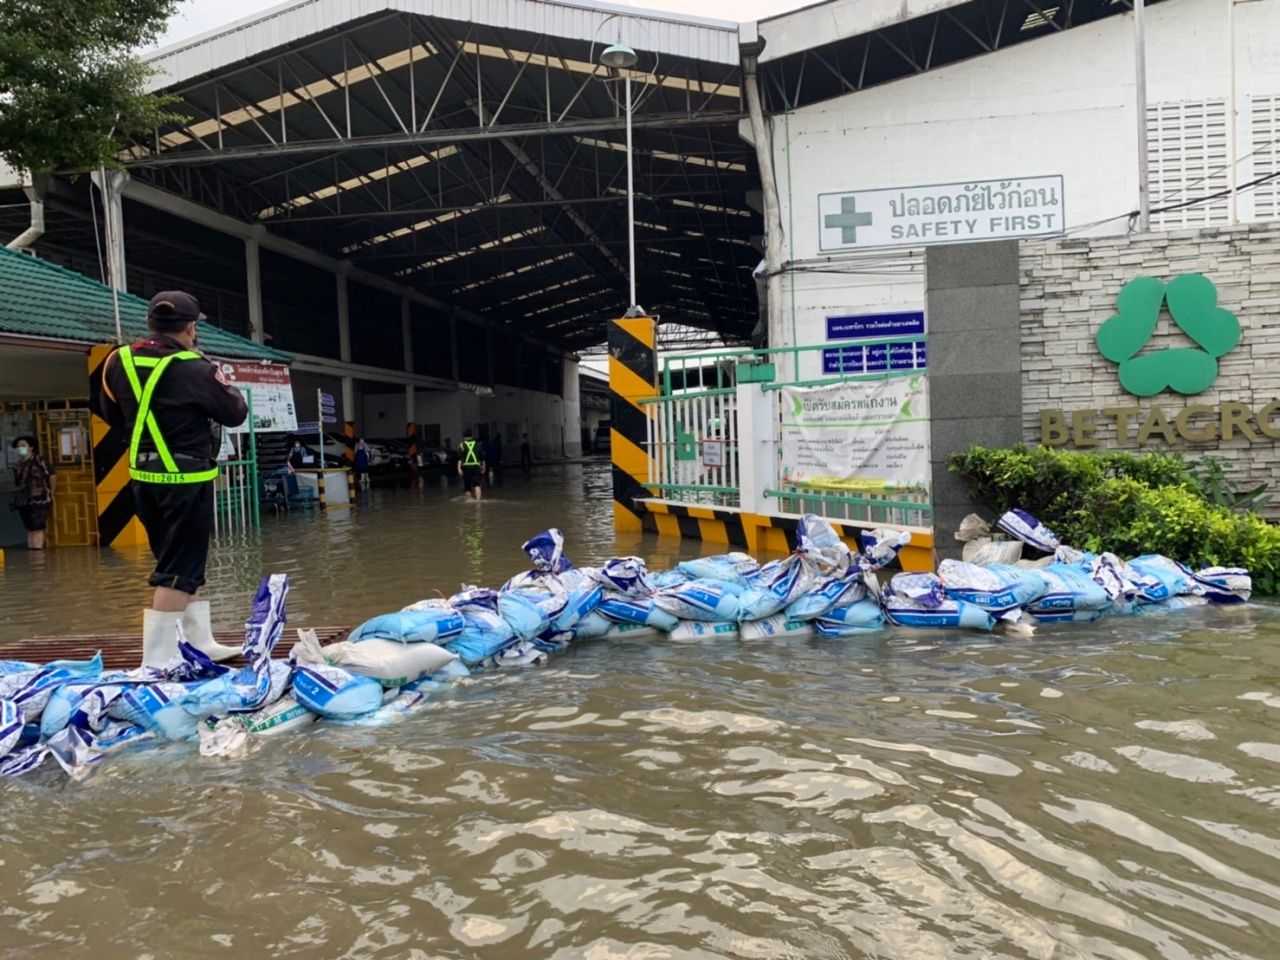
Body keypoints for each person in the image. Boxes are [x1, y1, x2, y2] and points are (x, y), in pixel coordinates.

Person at [100, 290, 248, 667]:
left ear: (151, 322)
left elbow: (111, 413)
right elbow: (234, 413)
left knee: (179, 562)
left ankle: (200, 643)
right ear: (190, 327)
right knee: (178, 571)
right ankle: (157, 660)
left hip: (142, 479)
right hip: (185, 479)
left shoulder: (117, 362)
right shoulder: (194, 367)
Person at [9, 436, 55, 550]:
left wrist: (51, 492)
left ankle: (38, 555)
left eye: (23, 445)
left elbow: (52, 476)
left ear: (31, 447)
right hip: (24, 500)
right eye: (18, 446)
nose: (20, 448)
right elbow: (18, 483)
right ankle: (32, 554)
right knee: (29, 528)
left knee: (37, 527)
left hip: (40, 498)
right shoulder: (17, 465)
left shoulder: (40, 460)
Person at [458, 430, 485, 500]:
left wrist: (458, 468)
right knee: (477, 484)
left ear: (463, 437)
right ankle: (478, 501)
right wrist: (483, 467)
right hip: (476, 466)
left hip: (466, 467)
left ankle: (469, 502)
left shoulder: (462, 445)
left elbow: (460, 458)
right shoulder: (478, 444)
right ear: (472, 436)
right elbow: (482, 458)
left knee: (467, 486)